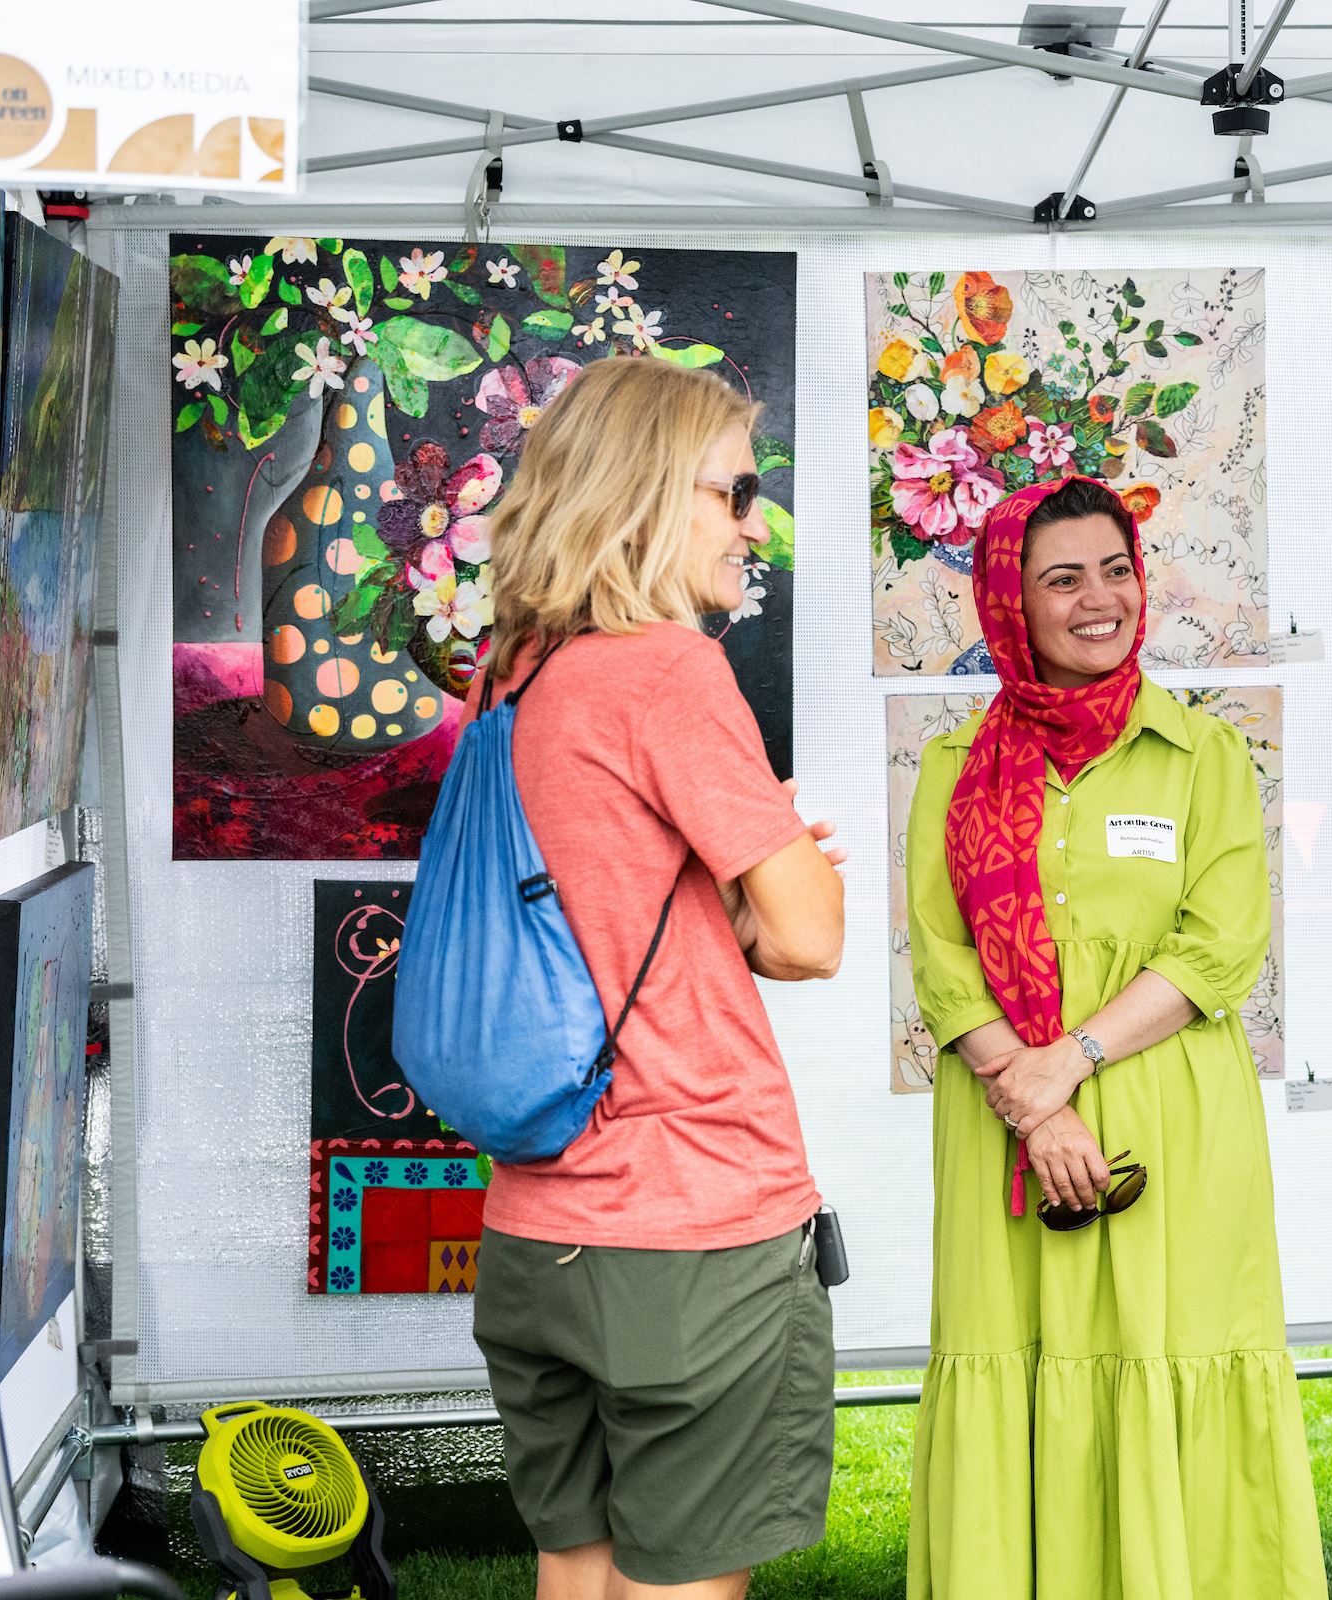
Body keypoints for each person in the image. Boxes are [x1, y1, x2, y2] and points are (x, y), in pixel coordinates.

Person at [903, 475, 1327, 1599]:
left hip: (1167, 1123)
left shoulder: (1205, 757)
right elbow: (942, 962)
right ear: (1009, 602)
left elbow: (1217, 950)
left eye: (1115, 569)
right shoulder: (951, 771)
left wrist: (1065, 1069)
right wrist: (1031, 1103)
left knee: (1169, 1352)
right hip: (1007, 1135)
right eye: (1062, 578)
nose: (1100, 600)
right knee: (1018, 1357)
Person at [466, 357, 848, 1600]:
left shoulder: (514, 673)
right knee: (683, 1579)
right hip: (691, 1214)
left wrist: (727, 892)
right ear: (644, 494)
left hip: (538, 1221)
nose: (754, 524)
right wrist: (761, 882)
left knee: (575, 1570)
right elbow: (809, 938)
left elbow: (600, 901)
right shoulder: (667, 673)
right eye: (736, 492)